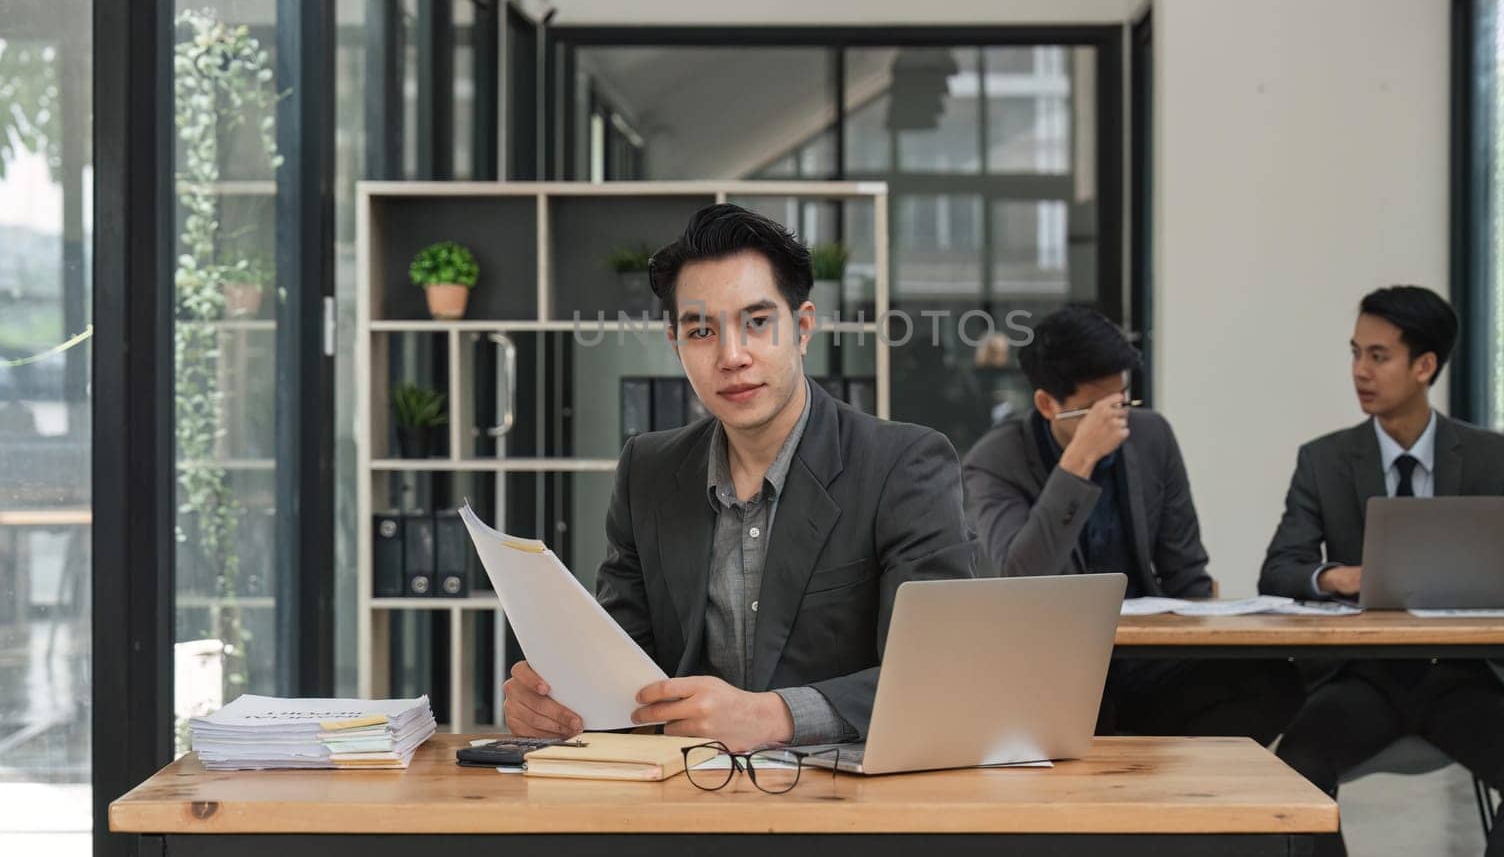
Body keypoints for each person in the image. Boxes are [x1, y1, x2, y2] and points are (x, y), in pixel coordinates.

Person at [502, 204, 975, 750]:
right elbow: (621, 658)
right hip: (681, 796)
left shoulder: (903, 464)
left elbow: (937, 671)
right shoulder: (648, 471)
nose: (731, 356)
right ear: (676, 345)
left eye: (756, 323)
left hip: (849, 804)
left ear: (801, 329)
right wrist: (556, 699)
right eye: (701, 331)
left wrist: (775, 717)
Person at [1261, 285, 1504, 857]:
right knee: (1296, 767)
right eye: (1355, 353)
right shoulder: (1324, 459)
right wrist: (1338, 577)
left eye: (1378, 356)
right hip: (1363, 677)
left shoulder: (1490, 458)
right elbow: (1281, 569)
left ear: (1424, 365)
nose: (1360, 371)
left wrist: (1473, 574)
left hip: (1465, 677)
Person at [963, 305, 1301, 744]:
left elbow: (1185, 571)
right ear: (1047, 404)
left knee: (1273, 683)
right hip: (1054, 662)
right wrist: (1078, 462)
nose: (1115, 423)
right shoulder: (994, 463)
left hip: (1145, 655)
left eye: (1121, 402)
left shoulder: (1151, 436)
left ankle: (1169, 794)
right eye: (1095, 411)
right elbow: (1022, 576)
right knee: (1084, 714)